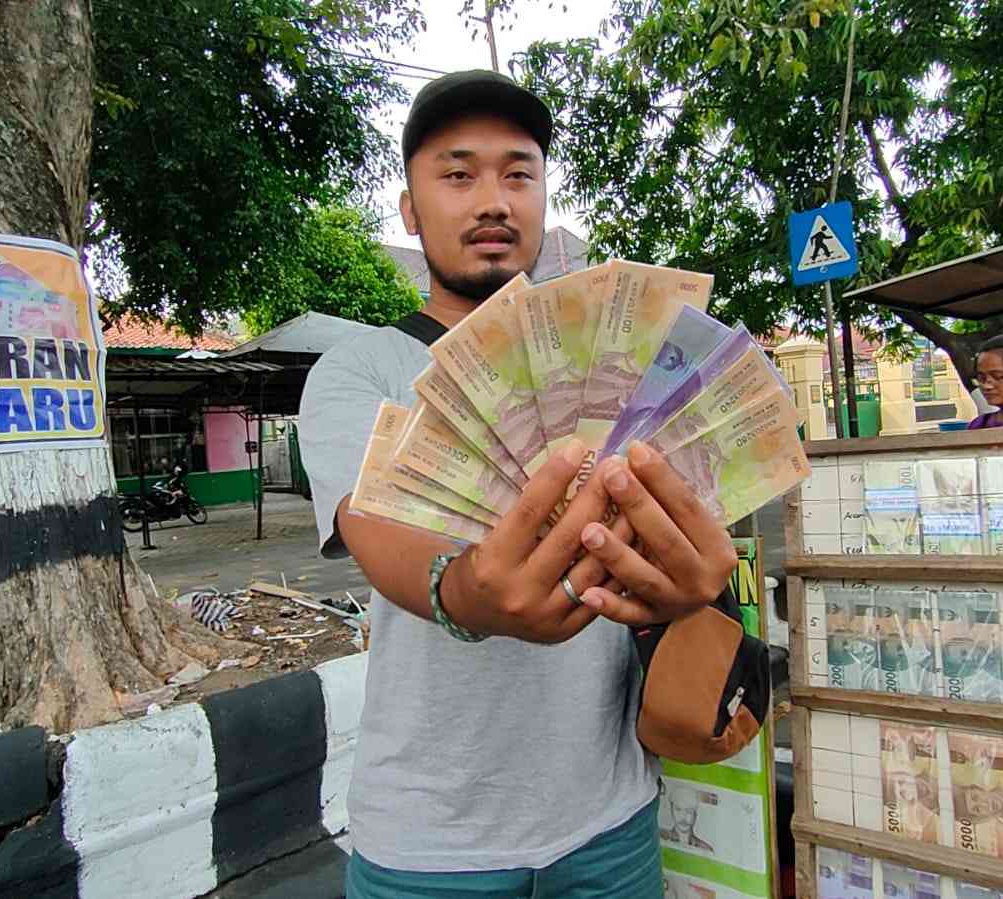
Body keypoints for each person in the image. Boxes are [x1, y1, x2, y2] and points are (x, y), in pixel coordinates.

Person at [298, 70, 737, 898]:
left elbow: (687, 527)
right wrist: (459, 588)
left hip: (611, 818)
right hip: (431, 842)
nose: (491, 199)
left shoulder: (628, 363)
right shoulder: (362, 369)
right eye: (457, 174)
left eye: (518, 173)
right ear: (409, 208)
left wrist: (696, 581)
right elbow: (374, 525)